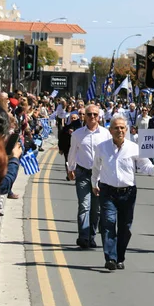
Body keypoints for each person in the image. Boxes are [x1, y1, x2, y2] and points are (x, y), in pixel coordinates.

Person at [91, 115, 154, 270]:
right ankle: (110, 257)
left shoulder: (134, 148)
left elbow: (146, 167)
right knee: (108, 223)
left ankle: (120, 256)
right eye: (116, 128)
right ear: (110, 131)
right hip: (107, 191)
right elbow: (96, 167)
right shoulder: (102, 147)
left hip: (128, 193)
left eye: (122, 128)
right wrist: (94, 183)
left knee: (125, 227)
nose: (119, 131)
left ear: (127, 130)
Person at [67, 104, 112, 249]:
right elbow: (72, 152)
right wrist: (70, 168)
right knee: (84, 206)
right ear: (84, 116)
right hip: (83, 173)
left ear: (99, 117)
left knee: (96, 209)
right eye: (89, 114)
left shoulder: (106, 134)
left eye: (95, 114)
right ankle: (83, 237)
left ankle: (92, 236)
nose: (92, 117)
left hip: (100, 175)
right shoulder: (77, 134)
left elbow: (110, 154)